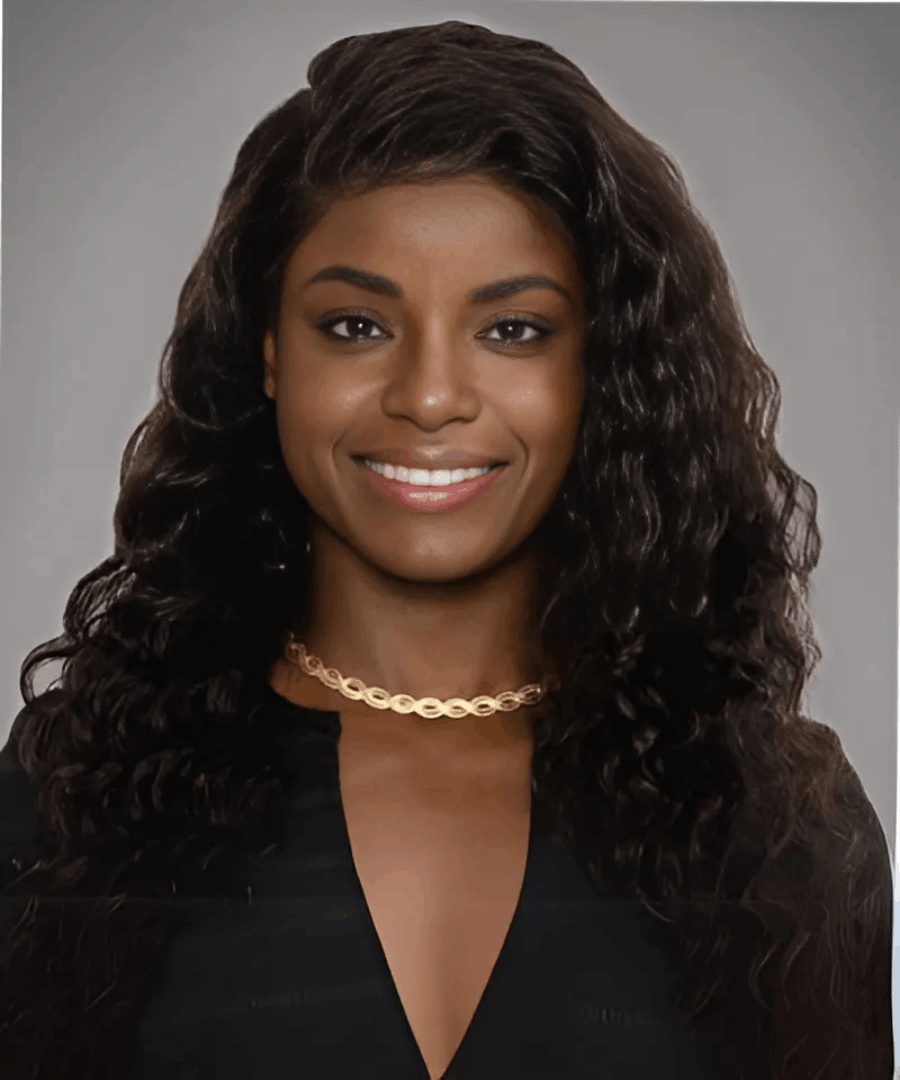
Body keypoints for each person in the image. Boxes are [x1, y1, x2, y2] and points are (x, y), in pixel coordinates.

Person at [0, 19, 892, 1080]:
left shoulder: (776, 825)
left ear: (600, 368)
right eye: (356, 326)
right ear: (270, 351)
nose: (429, 396)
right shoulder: (75, 802)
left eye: (512, 329)